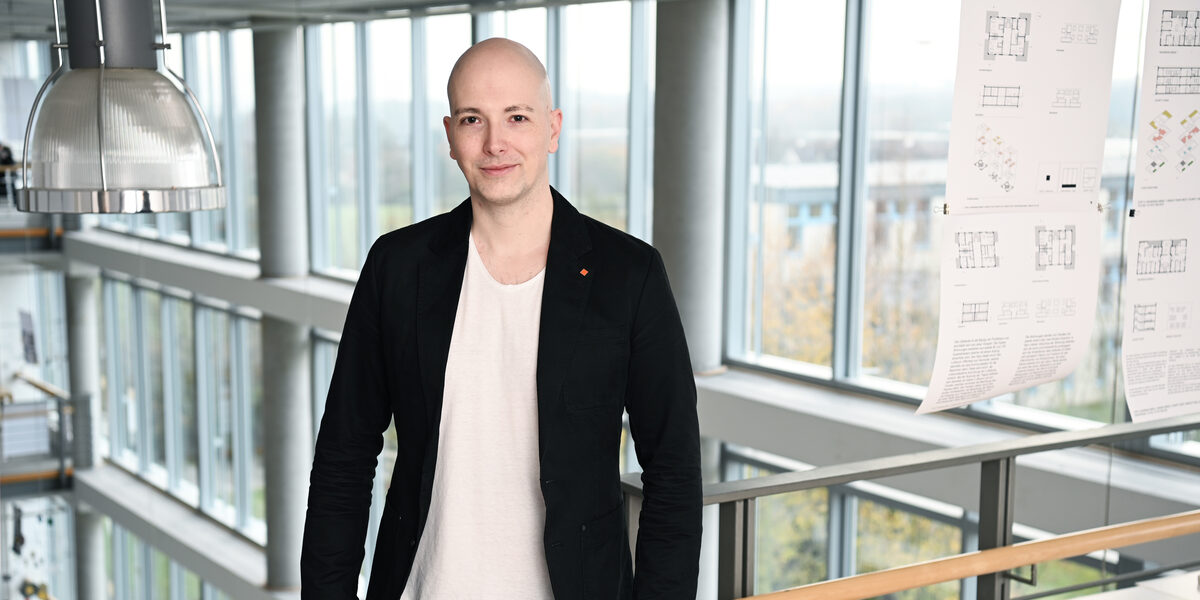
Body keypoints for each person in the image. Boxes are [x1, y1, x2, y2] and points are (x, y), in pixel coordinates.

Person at [300, 38, 702, 599]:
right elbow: (344, 458)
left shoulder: (628, 275)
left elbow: (675, 475)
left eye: (517, 117)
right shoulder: (397, 268)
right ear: (450, 136)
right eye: (473, 120)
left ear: (553, 128)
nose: (495, 143)